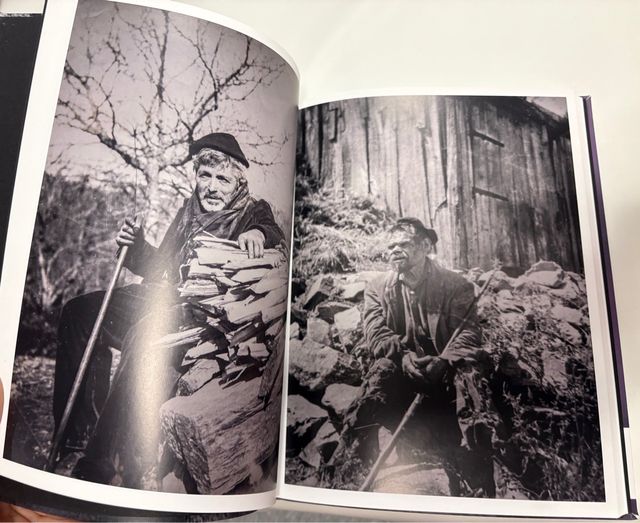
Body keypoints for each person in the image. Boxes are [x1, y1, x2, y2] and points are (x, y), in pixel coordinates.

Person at [53, 132, 284, 486]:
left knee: (141, 334)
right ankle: (75, 436)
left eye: (222, 179)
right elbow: (159, 266)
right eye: (205, 175)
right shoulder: (188, 210)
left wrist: (258, 235)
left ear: (238, 182)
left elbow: (270, 230)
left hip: (199, 311)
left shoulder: (253, 210)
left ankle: (103, 461)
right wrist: (136, 246)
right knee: (78, 313)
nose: (212, 187)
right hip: (160, 295)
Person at [334, 217, 501, 497]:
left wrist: (444, 362)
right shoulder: (377, 288)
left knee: (469, 374)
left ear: (425, 246)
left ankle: (482, 473)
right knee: (381, 371)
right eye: (391, 246)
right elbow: (376, 333)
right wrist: (403, 357)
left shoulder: (456, 286)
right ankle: (352, 469)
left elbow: (469, 334)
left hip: (446, 380)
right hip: (404, 378)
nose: (395, 250)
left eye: (404, 244)